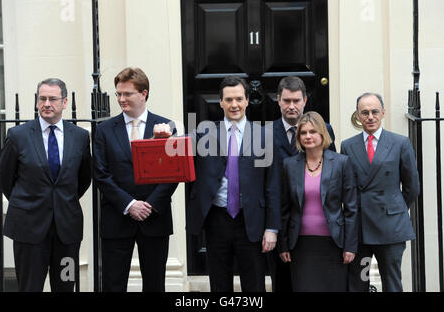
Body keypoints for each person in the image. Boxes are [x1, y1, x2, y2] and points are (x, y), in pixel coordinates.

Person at [154, 76, 281, 292]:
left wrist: (272, 228)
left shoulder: (264, 136)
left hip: (251, 221)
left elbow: (273, 186)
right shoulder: (205, 132)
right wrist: (164, 135)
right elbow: (178, 146)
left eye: (239, 99)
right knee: (219, 284)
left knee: (255, 285)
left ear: (247, 100)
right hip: (216, 219)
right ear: (220, 102)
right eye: (229, 99)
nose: (234, 105)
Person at [0, 78, 92, 292]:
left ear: (65, 102)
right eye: (42, 99)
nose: (47, 103)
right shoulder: (17, 136)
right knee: (30, 287)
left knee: (66, 285)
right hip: (28, 229)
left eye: (52, 99)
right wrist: (29, 203)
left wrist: (61, 202)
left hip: (66, 231)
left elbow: (84, 178)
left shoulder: (79, 137)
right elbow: (6, 181)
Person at [93, 67, 178, 292]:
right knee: (112, 284)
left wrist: (149, 205)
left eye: (127, 94)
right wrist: (130, 205)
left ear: (144, 94)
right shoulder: (104, 130)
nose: (121, 99)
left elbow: (173, 174)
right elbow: (101, 174)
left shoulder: (167, 126)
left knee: (155, 284)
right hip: (117, 217)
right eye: (118, 94)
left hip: (154, 217)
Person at [341, 93, 420, 292]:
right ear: (358, 116)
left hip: (390, 230)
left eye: (375, 112)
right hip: (360, 231)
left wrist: (393, 207)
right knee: (360, 282)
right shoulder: (348, 146)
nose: (370, 117)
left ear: (383, 113)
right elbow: (346, 187)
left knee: (391, 283)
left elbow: (412, 187)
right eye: (365, 112)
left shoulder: (400, 143)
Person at [270, 76, 336, 291]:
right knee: (283, 280)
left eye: (296, 100)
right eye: (286, 101)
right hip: (279, 219)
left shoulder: (324, 129)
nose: (291, 106)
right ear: (278, 100)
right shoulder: (265, 133)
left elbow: (332, 172)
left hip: (313, 221)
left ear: (305, 100)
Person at [279, 111, 358, 292]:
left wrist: (350, 246)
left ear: (322, 134)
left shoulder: (341, 163)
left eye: (313, 132)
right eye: (303, 133)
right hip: (300, 244)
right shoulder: (289, 165)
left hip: (333, 243)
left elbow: (351, 208)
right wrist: (283, 244)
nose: (308, 136)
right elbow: (285, 209)